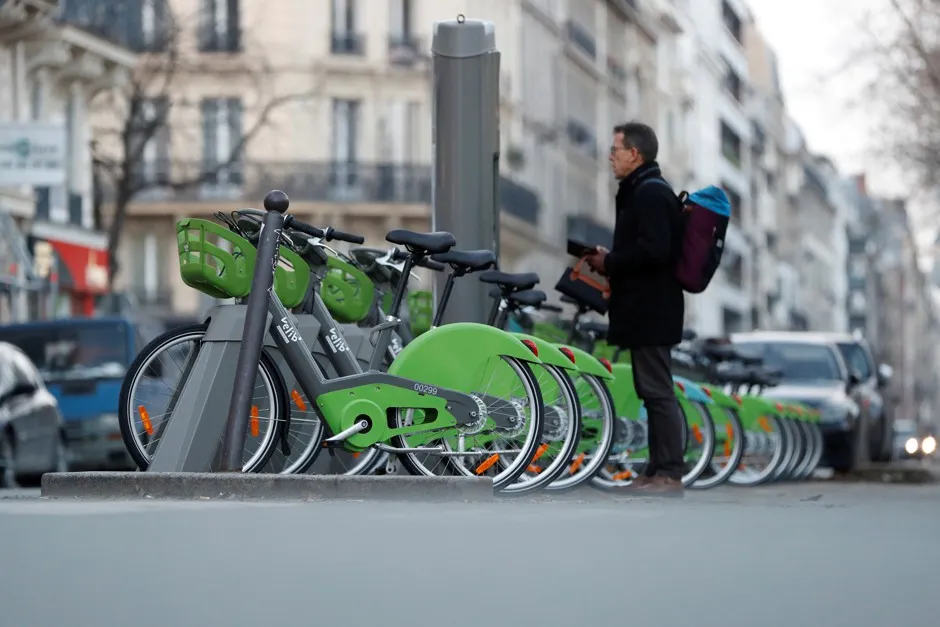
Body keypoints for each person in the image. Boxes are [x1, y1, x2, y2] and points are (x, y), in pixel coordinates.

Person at [584, 122, 686, 496]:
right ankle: (655, 469)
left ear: (635, 154)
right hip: (646, 308)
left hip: (652, 309)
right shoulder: (641, 190)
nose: (610, 156)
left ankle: (671, 473)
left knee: (658, 391)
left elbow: (656, 250)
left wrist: (611, 263)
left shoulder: (649, 193)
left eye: (616, 149)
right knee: (650, 389)